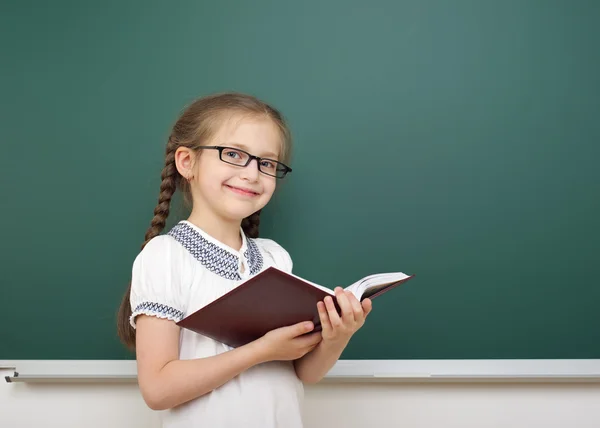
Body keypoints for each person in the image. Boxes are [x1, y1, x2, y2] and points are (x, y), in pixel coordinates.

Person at [116, 92, 372, 428]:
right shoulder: (165, 256)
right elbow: (158, 388)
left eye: (266, 163)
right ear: (187, 162)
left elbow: (302, 372)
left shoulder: (273, 258)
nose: (252, 174)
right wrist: (260, 351)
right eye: (234, 154)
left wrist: (338, 337)